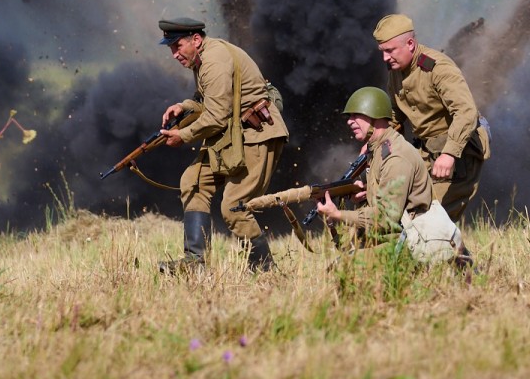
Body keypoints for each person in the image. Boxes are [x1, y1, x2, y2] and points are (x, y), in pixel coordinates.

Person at [156, 18, 288, 273]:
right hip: (233, 134)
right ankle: (195, 262)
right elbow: (213, 102)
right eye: (171, 48)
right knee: (192, 181)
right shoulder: (202, 58)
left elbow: (216, 116)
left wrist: (182, 135)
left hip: (257, 133)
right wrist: (184, 106)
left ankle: (264, 271)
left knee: (234, 208)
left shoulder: (213, 61)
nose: (174, 54)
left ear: (196, 40)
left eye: (178, 46)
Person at [316, 87, 470, 266]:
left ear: (376, 115)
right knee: (345, 259)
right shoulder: (377, 152)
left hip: (414, 241)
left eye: (356, 115)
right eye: (348, 117)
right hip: (399, 236)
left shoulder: (395, 156)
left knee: (344, 267)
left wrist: (338, 214)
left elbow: (385, 218)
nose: (349, 122)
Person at [372, 14, 491, 223]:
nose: (385, 58)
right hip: (426, 152)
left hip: (460, 151)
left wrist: (449, 154)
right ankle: (455, 255)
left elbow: (466, 112)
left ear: (410, 44)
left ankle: (452, 255)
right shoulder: (396, 71)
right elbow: (395, 115)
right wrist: (375, 140)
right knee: (409, 213)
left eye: (390, 51)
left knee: (430, 218)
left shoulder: (438, 68)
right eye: (382, 52)